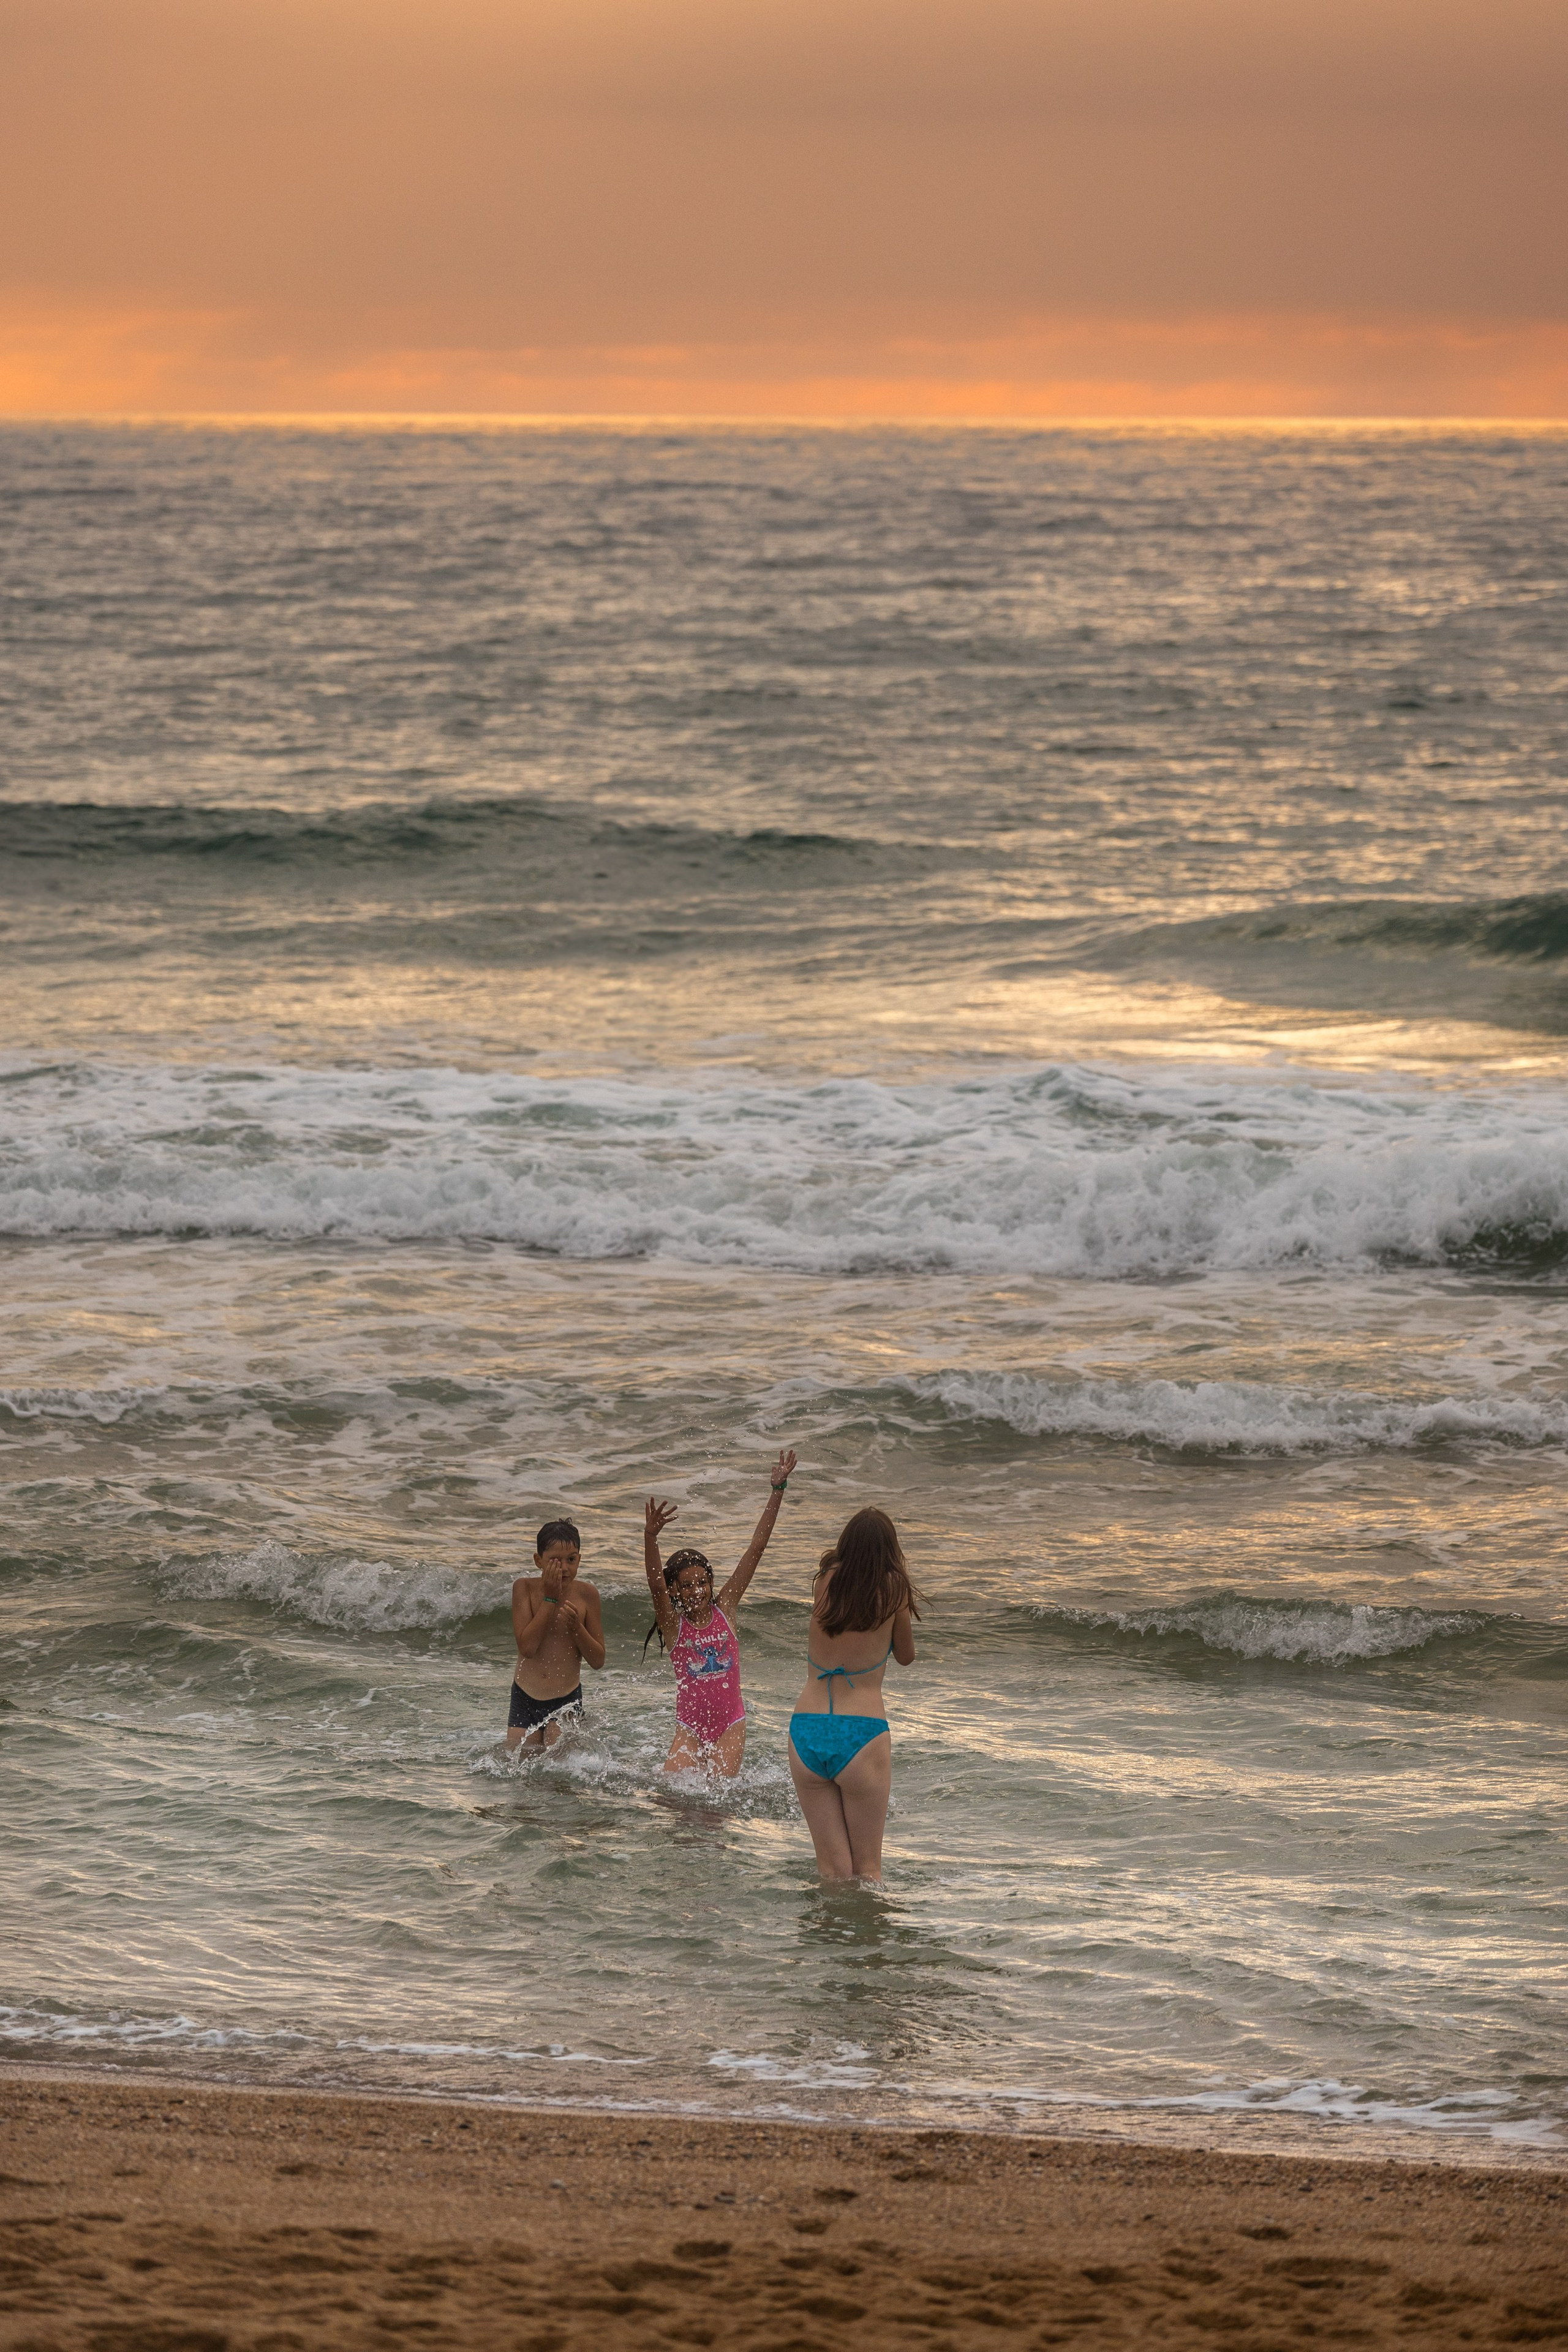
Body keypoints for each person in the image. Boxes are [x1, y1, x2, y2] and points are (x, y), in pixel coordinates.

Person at [643, 1448, 798, 1777]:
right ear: (675, 1591)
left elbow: (756, 1549)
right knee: (675, 1797)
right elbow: (656, 1586)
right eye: (686, 1585)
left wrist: (777, 1491)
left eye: (703, 1582)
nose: (697, 1590)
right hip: (690, 1727)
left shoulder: (725, 1608)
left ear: (712, 1583)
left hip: (730, 1724)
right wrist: (651, 1537)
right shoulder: (674, 1626)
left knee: (716, 1802)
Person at [787, 1506, 919, 1885]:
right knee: (868, 1872)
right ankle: (867, 1944)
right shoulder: (895, 1589)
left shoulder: (824, 1581)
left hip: (806, 1728)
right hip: (861, 1732)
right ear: (890, 1552)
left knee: (833, 1872)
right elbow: (907, 1657)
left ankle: (827, 1941)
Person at [507, 1516, 606, 1751]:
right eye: (555, 1560)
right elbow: (527, 1648)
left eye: (571, 1559)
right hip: (525, 1696)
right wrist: (550, 1598)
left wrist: (577, 1628)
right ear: (538, 1561)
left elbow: (598, 1660)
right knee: (518, 1762)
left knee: (559, 1760)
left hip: (566, 1700)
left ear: (580, 1560)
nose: (564, 1568)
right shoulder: (524, 1588)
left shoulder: (587, 1594)